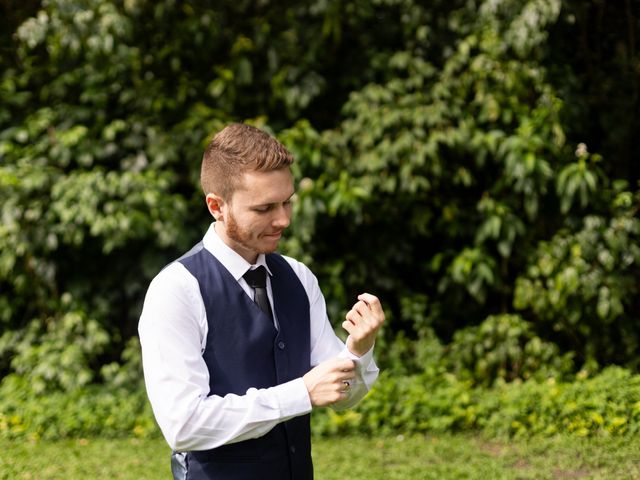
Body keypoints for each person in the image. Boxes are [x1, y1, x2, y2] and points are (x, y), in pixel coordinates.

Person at [138, 122, 385, 480]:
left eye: (287, 202)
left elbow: (341, 394)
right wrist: (300, 394)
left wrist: (358, 351)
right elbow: (184, 425)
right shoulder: (176, 291)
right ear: (216, 206)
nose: (283, 219)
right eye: (264, 208)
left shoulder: (299, 278)